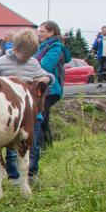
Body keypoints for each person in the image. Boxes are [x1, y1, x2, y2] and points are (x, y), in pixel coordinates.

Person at [0, 29, 54, 183]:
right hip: (11, 115)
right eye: (25, 55)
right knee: (12, 148)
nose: (27, 59)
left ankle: (31, 174)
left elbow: (47, 76)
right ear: (15, 49)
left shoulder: (33, 63)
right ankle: (14, 177)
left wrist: (47, 79)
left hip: (31, 113)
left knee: (33, 145)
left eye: (30, 56)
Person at [35, 21, 71, 149]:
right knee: (43, 118)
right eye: (39, 31)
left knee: (37, 118)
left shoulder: (55, 48)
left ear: (51, 32)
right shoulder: (43, 47)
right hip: (43, 88)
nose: (39, 34)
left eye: (42, 32)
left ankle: (39, 149)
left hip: (51, 88)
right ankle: (47, 147)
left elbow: (44, 66)